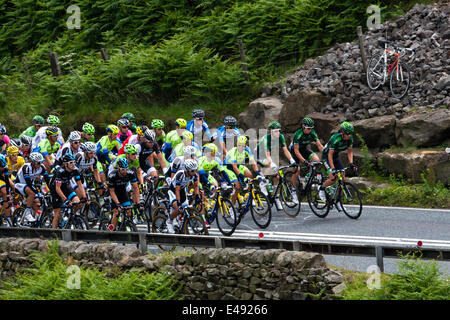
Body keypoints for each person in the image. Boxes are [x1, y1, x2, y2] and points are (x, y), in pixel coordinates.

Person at [255, 121, 298, 206]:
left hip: (268, 155)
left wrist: (292, 160)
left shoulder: (281, 137)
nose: (278, 133)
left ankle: (276, 197)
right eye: (275, 131)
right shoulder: (266, 139)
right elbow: (267, 156)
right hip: (259, 155)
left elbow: (285, 150)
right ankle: (262, 182)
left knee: (277, 177)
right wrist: (272, 165)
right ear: (271, 131)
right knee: (269, 164)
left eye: (279, 130)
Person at [319, 121, 358, 201]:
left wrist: (351, 163)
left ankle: (338, 200)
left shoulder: (349, 138)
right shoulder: (335, 138)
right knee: (333, 178)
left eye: (351, 133)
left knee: (343, 178)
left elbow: (350, 152)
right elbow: (330, 155)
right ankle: (322, 188)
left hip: (336, 156)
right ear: (343, 132)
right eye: (348, 133)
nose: (349, 135)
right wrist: (333, 169)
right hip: (326, 156)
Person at [224, 136, 264, 206]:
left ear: (246, 145)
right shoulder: (233, 151)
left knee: (250, 175)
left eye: (243, 146)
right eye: (239, 145)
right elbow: (234, 167)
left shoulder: (247, 149)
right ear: (237, 145)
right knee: (237, 187)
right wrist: (243, 177)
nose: (241, 147)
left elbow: (253, 163)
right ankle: (231, 207)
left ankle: (249, 196)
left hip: (238, 166)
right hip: (228, 167)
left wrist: (258, 173)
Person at [49, 153, 86, 229]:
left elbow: (80, 184)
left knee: (78, 202)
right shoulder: (60, 171)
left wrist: (84, 196)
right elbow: (58, 188)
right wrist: (65, 200)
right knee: (57, 213)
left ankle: (69, 217)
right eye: (71, 163)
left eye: (74, 162)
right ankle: (53, 234)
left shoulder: (75, 170)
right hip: (55, 189)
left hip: (65, 186)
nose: (73, 164)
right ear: (65, 164)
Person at [166, 159, 201, 234]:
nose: (194, 172)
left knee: (186, 207)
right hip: (173, 191)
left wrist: (197, 195)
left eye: (195, 170)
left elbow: (196, 185)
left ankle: (178, 219)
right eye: (192, 171)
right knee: (177, 208)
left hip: (181, 190)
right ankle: (169, 221)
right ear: (187, 170)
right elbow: (177, 190)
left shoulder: (194, 175)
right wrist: (178, 202)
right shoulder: (180, 174)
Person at [14, 152, 51, 223]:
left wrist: (51, 189)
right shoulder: (26, 167)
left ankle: (33, 220)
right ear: (33, 162)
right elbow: (28, 183)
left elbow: (47, 180)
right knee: (32, 193)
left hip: (29, 186)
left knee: (37, 203)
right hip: (19, 184)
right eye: (38, 163)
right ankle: (27, 213)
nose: (40, 164)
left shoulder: (42, 167)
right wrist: (37, 192)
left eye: (41, 162)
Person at [107, 157, 142, 231]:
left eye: (126, 168)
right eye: (123, 169)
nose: (125, 171)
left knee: (129, 211)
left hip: (123, 192)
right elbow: (112, 191)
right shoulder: (112, 176)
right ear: (118, 168)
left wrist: (138, 202)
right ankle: (111, 232)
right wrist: (118, 203)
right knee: (116, 213)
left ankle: (125, 225)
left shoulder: (130, 173)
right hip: (113, 193)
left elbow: (135, 188)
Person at [0, 154, 13, 226]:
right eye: (1, 167)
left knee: (5, 192)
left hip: (1, 178)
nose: (2, 168)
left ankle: (8, 220)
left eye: (3, 167)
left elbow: (6, 181)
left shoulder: (5, 168)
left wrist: (8, 194)